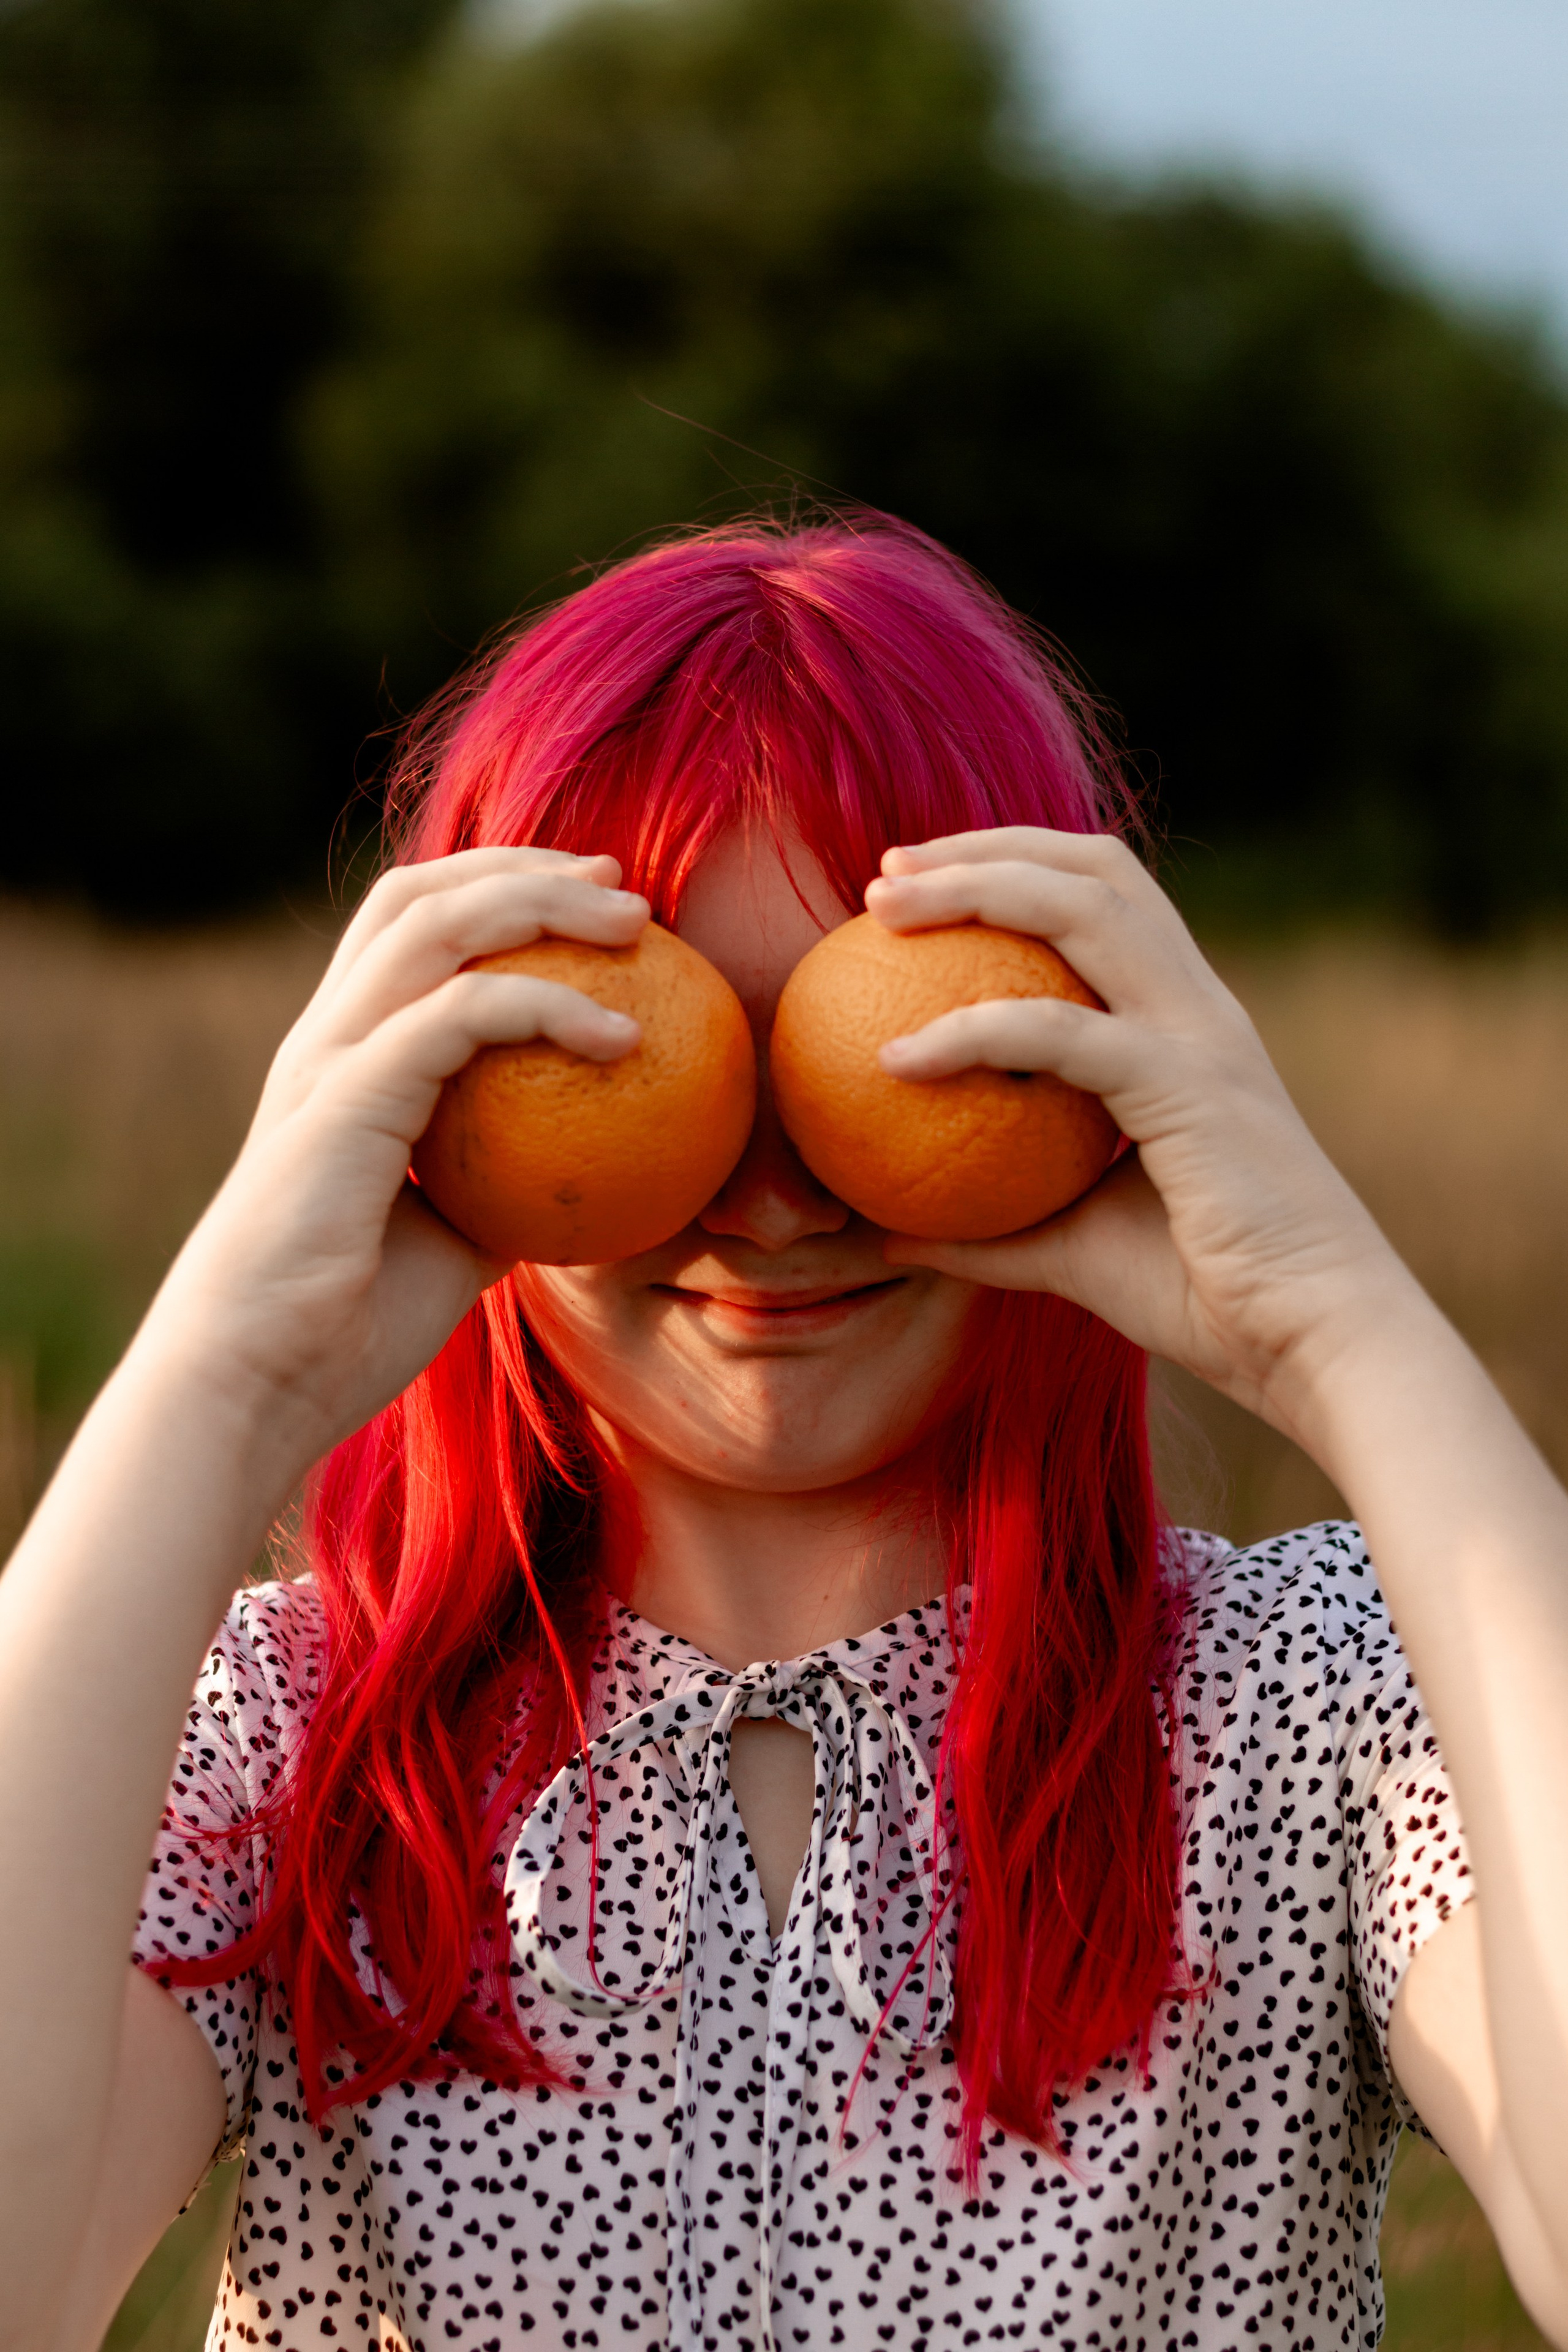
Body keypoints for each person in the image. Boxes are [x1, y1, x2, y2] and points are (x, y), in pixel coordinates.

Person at [2, 517, 1566, 2352]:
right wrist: (222, 1381)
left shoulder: (1316, 1711)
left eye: (876, 1066)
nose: (767, 1204)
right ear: (436, 1086)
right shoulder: (294, 1744)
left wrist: (1337, 1323)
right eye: (627, 1056)